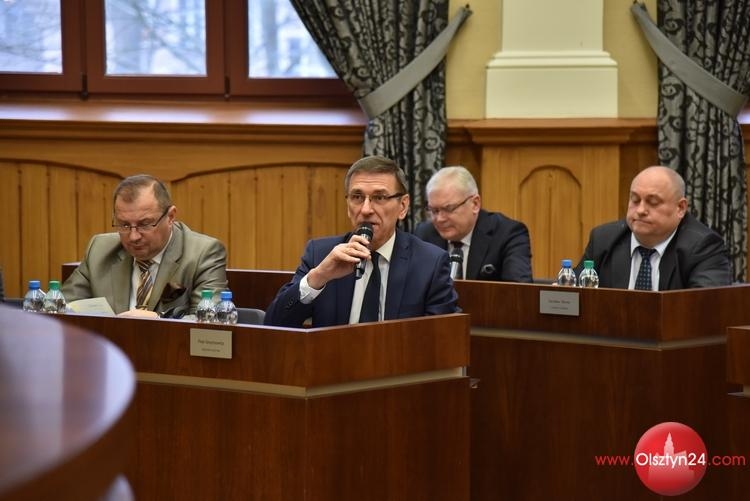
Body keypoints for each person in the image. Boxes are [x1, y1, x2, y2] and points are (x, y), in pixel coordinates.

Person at [264, 155, 458, 328]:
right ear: (348, 206)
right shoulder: (320, 254)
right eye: (357, 197)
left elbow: (442, 338)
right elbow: (274, 324)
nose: (365, 210)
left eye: (379, 197)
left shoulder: (429, 263)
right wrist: (319, 277)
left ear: (403, 206)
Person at [62, 174, 228, 317]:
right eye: (124, 225)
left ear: (170, 217)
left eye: (145, 224)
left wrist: (158, 321)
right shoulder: (99, 249)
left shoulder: (203, 253)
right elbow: (59, 308)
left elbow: (209, 320)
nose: (133, 236)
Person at [575, 165, 731, 290]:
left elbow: (703, 309)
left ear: (680, 208)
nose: (641, 210)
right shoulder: (604, 240)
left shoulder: (703, 247)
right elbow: (573, 296)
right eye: (635, 200)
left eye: (653, 202)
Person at [414, 166, 533, 282]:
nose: (440, 219)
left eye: (449, 209)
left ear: (475, 204)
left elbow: (518, 291)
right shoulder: (424, 236)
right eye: (434, 210)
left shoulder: (507, 234)